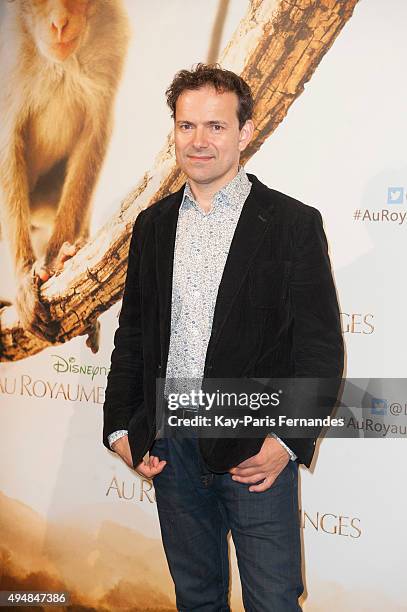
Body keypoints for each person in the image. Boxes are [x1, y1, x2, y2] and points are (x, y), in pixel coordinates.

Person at [103, 63, 344, 611]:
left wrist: (285, 442)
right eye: (187, 126)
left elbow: (319, 350)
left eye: (216, 126)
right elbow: (135, 335)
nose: (200, 141)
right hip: (171, 448)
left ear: (245, 132)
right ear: (174, 132)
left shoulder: (292, 224)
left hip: (253, 450)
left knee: (273, 601)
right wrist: (121, 425)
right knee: (197, 598)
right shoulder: (153, 225)